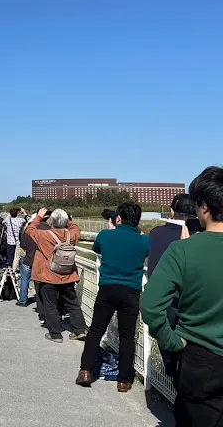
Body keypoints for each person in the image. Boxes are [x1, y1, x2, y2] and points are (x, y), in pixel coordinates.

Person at [141, 166, 223, 426]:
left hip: (201, 360)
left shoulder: (182, 251)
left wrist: (172, 341)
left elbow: (151, 305)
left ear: (205, 208)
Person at [76, 202, 149, 392]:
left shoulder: (106, 235)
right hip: (131, 292)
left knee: (96, 330)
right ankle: (124, 380)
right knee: (127, 337)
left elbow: (97, 249)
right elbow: (147, 252)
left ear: (119, 218)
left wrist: (111, 229)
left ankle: (85, 370)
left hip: (107, 289)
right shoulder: (144, 240)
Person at [145, 194, 197, 386]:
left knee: (171, 358)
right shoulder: (201, 237)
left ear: (172, 210)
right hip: (191, 307)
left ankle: (174, 381)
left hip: (164, 305)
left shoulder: (156, 234)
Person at [25, 208, 87, 343]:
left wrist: (39, 217)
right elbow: (76, 227)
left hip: (49, 275)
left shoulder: (44, 235)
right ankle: (80, 330)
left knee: (50, 304)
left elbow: (29, 230)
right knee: (73, 304)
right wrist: (68, 221)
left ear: (51, 221)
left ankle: (55, 334)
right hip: (68, 275)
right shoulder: (72, 235)